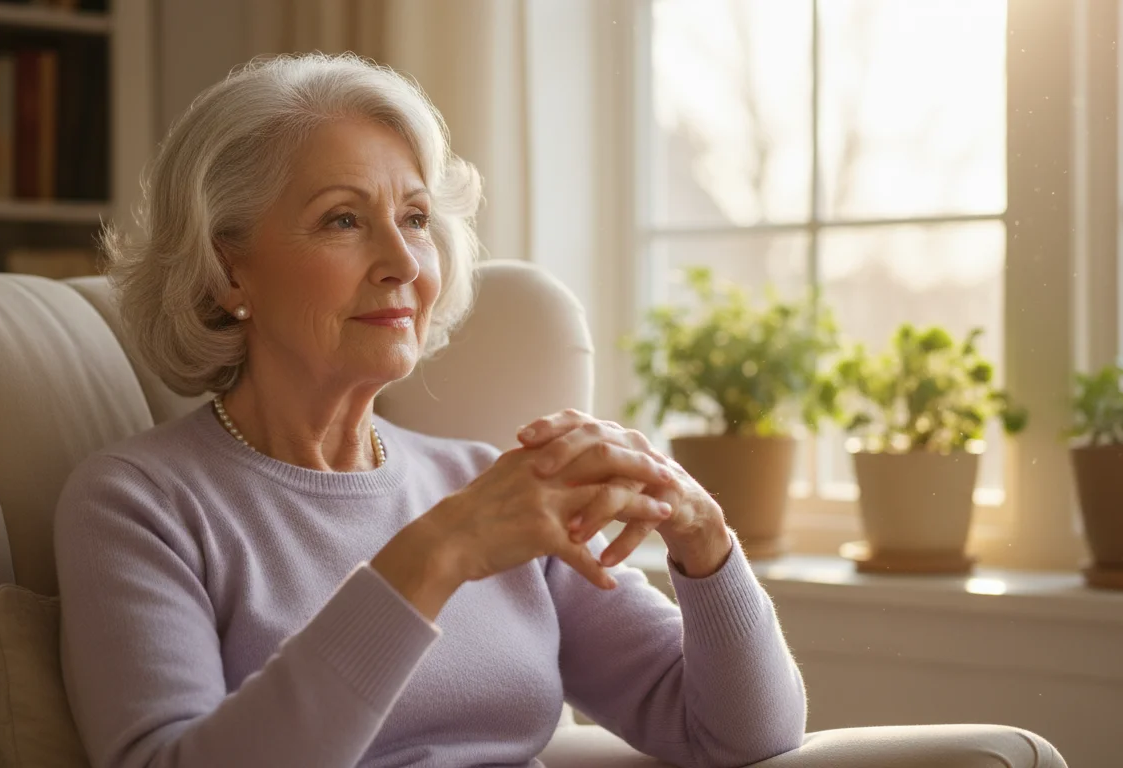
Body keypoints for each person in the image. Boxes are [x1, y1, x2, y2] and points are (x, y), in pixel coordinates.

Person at [54, 52, 806, 768]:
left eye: (414, 218)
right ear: (226, 270)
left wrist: (701, 534)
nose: (404, 262)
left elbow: (743, 734)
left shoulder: (484, 485)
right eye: (343, 220)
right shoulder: (140, 503)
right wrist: (436, 555)